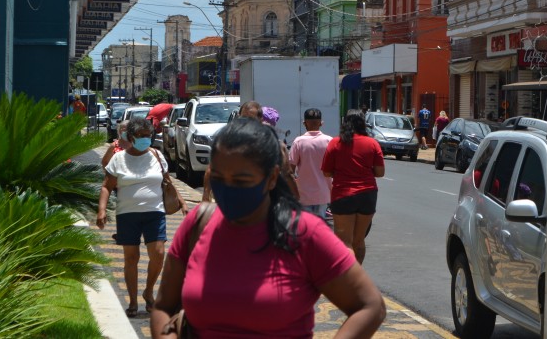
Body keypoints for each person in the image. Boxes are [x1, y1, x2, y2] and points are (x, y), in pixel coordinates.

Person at [150, 118, 385, 338]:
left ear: (272, 178)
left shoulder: (305, 233)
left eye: (241, 180)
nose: (228, 188)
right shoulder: (197, 225)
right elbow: (163, 307)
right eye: (219, 178)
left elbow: (370, 306)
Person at [96, 117, 187, 318]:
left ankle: (148, 291)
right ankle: (133, 301)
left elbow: (168, 182)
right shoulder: (118, 159)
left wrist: (181, 202)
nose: (146, 139)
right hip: (127, 214)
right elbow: (106, 186)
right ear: (131, 137)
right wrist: (102, 210)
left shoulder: (156, 155)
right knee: (131, 258)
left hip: (155, 212)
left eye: (148, 136)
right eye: (141, 136)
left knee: (158, 253)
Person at [321, 110, 385, 264]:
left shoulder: (336, 143)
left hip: (343, 194)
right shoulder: (372, 143)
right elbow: (380, 172)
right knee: (358, 240)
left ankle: (349, 279)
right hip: (367, 195)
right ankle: (358, 274)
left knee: (344, 242)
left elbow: (326, 172)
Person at [289, 108, 333, 220]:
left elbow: (290, 169)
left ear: (304, 123)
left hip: (303, 195)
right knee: (320, 227)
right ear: (321, 123)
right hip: (323, 194)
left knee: (304, 228)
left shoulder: (298, 142)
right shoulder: (329, 141)